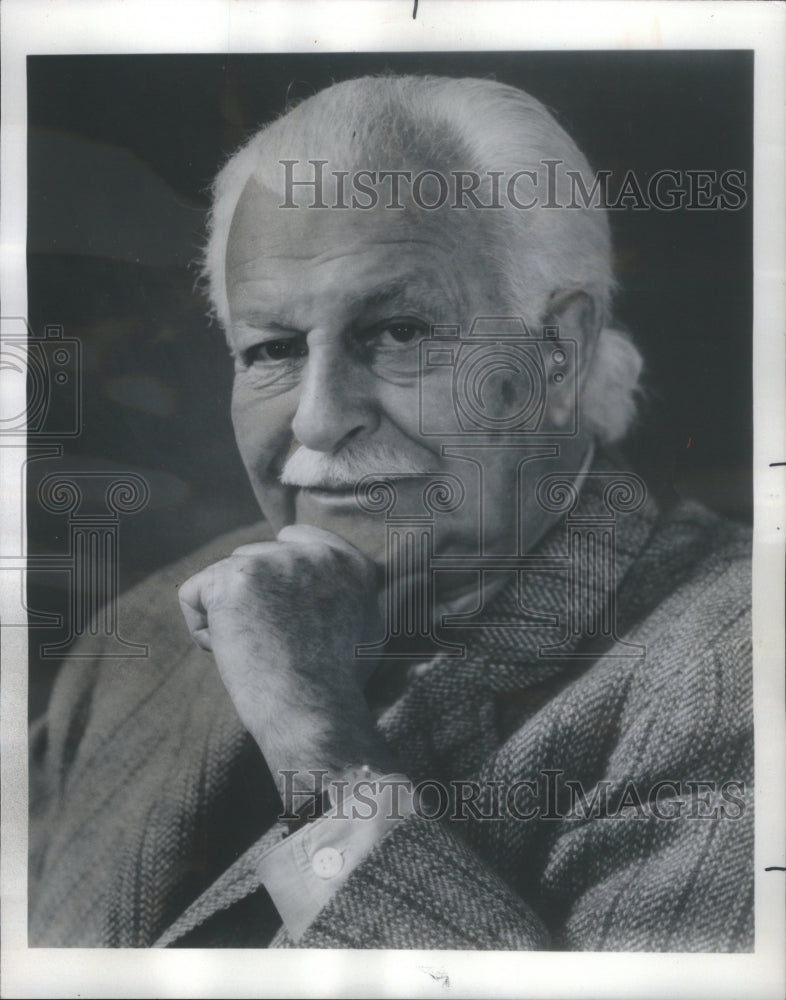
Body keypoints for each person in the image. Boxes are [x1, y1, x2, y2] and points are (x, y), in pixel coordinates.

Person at [29, 74, 753, 951]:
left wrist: (320, 752)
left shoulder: (739, 674)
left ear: (559, 354)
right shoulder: (141, 635)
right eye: (273, 349)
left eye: (400, 332)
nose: (319, 418)